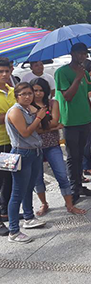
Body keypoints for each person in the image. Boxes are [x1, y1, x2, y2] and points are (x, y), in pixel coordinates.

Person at [30, 78, 85, 217]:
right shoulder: (27, 106)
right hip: (34, 147)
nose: (38, 93)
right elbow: (33, 130)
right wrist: (50, 127)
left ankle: (70, 205)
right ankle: (44, 203)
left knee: (61, 175)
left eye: (41, 90)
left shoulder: (52, 103)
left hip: (52, 145)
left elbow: (55, 121)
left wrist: (40, 127)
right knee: (37, 178)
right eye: (35, 90)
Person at [54, 43, 91, 201]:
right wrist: (77, 78)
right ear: (72, 53)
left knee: (82, 154)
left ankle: (79, 184)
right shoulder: (61, 72)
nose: (82, 56)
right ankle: (73, 189)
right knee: (73, 156)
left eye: (84, 54)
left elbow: (86, 96)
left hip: (85, 118)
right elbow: (67, 96)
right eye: (79, 53)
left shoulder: (85, 72)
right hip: (70, 121)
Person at [5, 82, 46, 243]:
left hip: (34, 152)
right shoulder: (15, 111)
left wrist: (36, 113)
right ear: (17, 96)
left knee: (29, 187)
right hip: (22, 153)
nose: (28, 97)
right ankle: (14, 231)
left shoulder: (28, 108)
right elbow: (25, 132)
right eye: (24, 94)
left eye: (30, 93)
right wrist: (38, 118)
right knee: (17, 193)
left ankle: (29, 217)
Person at [0, 58, 15, 233]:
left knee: (8, 179)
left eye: (6, 71)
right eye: (0, 72)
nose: (4, 75)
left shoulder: (12, 91)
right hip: (0, 143)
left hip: (11, 143)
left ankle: (5, 212)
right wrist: (12, 115)